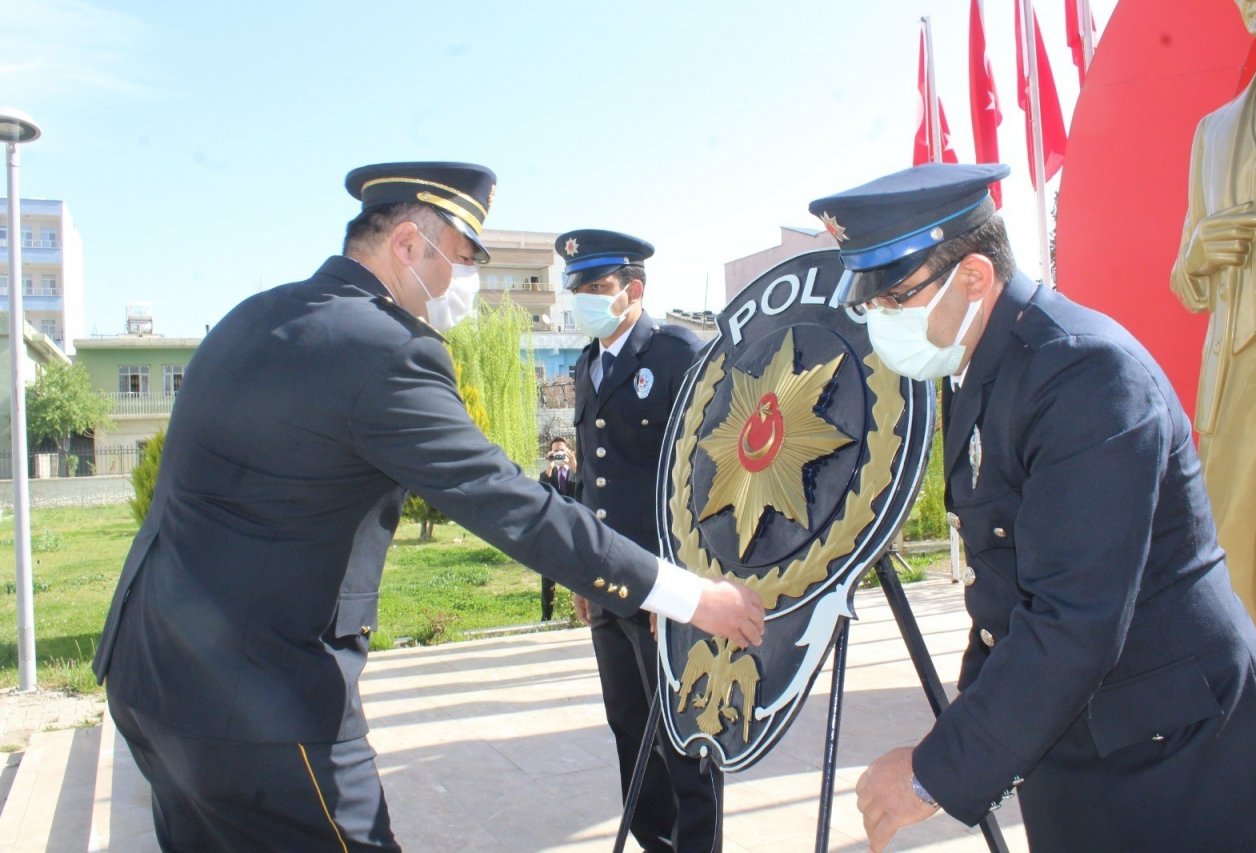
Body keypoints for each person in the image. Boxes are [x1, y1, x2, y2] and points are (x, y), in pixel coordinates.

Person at [91, 163, 764, 852]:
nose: (466, 284)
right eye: (465, 261)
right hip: (258, 701)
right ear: (410, 245)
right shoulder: (386, 349)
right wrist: (690, 595)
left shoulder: (257, 314)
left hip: (149, 673)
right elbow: (513, 505)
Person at [807, 162, 1256, 852]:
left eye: (895, 299)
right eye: (870, 306)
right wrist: (967, 725)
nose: (880, 320)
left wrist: (933, 773)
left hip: (1178, 757)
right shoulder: (988, 367)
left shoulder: (1085, 373)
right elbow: (1006, 591)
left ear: (973, 277)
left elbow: (1075, 616)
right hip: (1085, 740)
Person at [557, 229, 722, 852]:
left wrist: (681, 585)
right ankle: (655, 842)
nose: (586, 300)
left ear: (634, 290)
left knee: (682, 736)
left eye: (597, 288)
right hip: (606, 582)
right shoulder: (587, 363)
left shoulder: (680, 352)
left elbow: (707, 478)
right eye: (578, 289)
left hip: (663, 583)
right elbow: (589, 477)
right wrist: (580, 571)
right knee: (630, 728)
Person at [1170, 0, 1256, 670]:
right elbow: (1184, 279)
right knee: (1235, 580)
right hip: (1236, 377)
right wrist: (1200, 253)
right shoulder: (1214, 131)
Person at [536, 435, 578, 619]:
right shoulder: (546, 475)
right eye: (556, 451)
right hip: (552, 530)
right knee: (548, 576)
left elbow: (584, 490)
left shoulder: (577, 473)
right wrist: (549, 467)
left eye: (563, 450)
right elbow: (540, 495)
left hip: (574, 530)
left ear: (569, 451)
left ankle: (575, 614)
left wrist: (575, 464)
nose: (559, 453)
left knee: (576, 575)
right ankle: (546, 617)